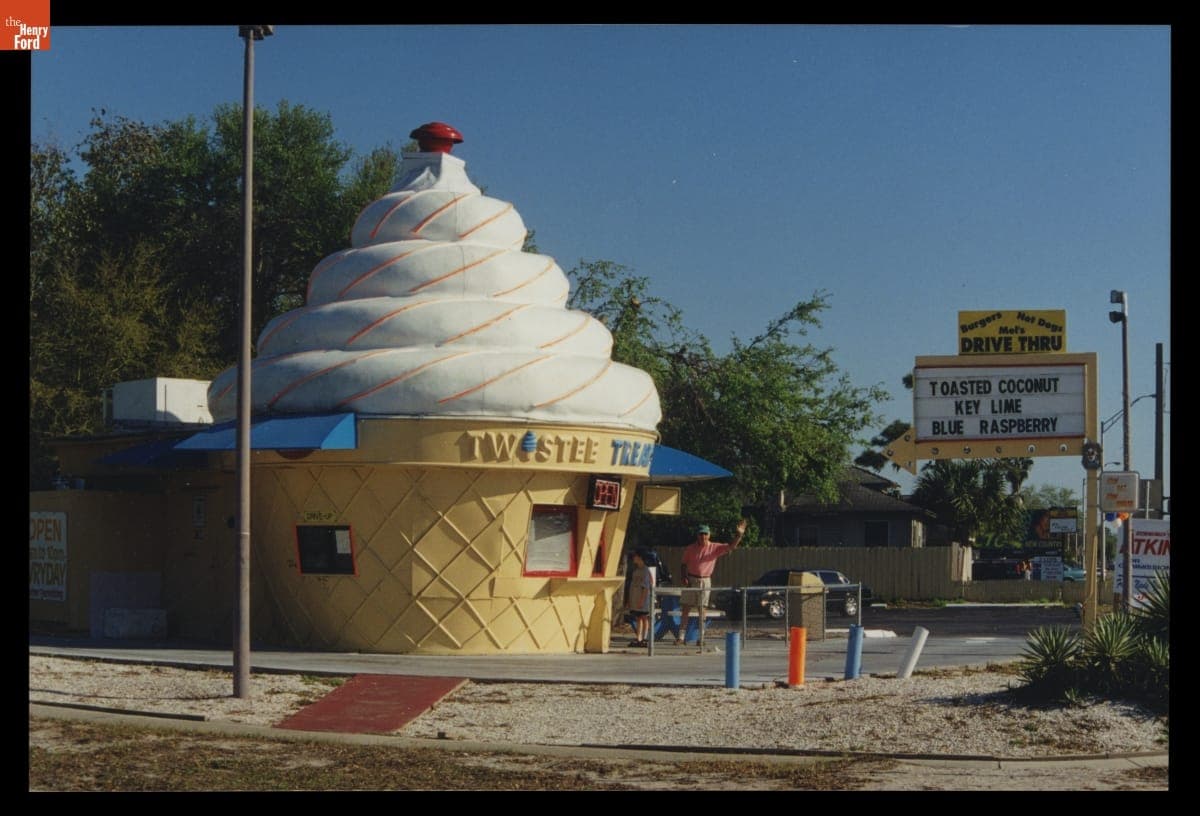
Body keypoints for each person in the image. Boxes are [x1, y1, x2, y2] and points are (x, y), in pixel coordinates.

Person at [677, 519, 746, 645]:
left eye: (705, 534)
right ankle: (681, 637)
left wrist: (738, 535)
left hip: (705, 580)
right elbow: (683, 564)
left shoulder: (714, 547)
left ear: (709, 535)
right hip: (691, 579)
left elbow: (732, 546)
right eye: (701, 534)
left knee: (702, 610)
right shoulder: (690, 548)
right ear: (697, 535)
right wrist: (684, 577)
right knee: (685, 608)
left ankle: (701, 637)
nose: (703, 536)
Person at [626, 549, 655, 647]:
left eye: (635, 556)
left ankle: (644, 637)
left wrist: (642, 600)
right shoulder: (636, 571)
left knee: (644, 618)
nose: (634, 558)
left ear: (640, 558)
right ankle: (638, 637)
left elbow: (646, 587)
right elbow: (632, 586)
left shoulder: (646, 571)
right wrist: (630, 600)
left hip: (643, 600)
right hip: (635, 598)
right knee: (638, 618)